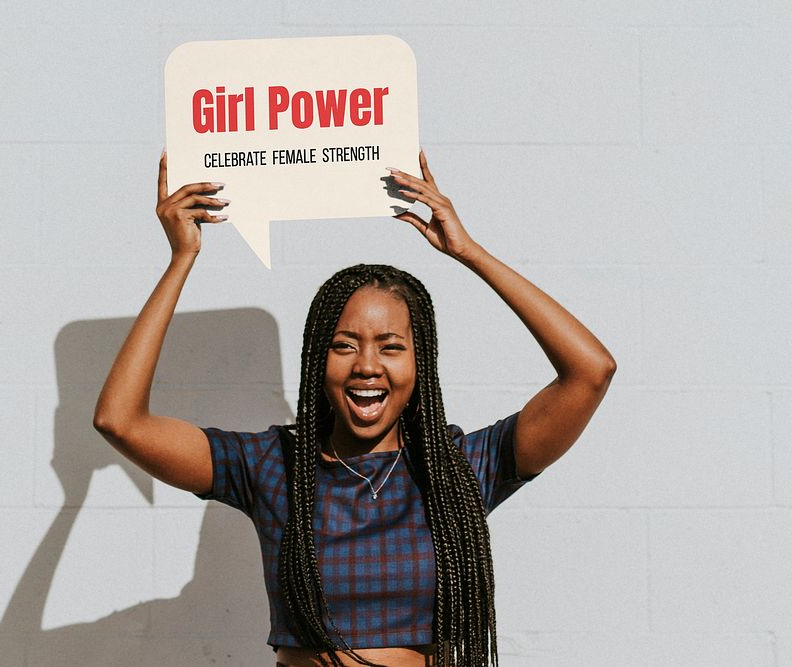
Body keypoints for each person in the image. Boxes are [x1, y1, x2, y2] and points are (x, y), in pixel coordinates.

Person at [93, 149, 616, 667]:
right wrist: (182, 258)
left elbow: (591, 371)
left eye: (390, 346)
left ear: (420, 363)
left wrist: (470, 252)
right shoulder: (273, 466)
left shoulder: (459, 467)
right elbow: (120, 421)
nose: (367, 365)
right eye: (343, 345)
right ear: (317, 361)